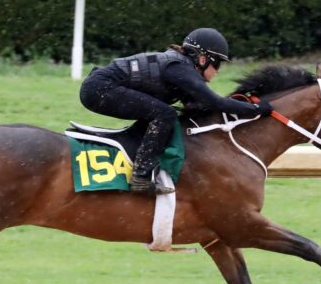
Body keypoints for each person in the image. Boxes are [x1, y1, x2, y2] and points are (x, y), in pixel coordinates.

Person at [79, 27, 273, 195]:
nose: (218, 71)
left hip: (100, 87)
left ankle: (138, 161)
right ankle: (141, 177)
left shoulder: (182, 67)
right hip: (100, 88)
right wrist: (257, 109)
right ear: (203, 58)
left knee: (162, 113)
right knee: (164, 114)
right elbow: (215, 102)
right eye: (217, 64)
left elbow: (201, 106)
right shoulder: (179, 68)